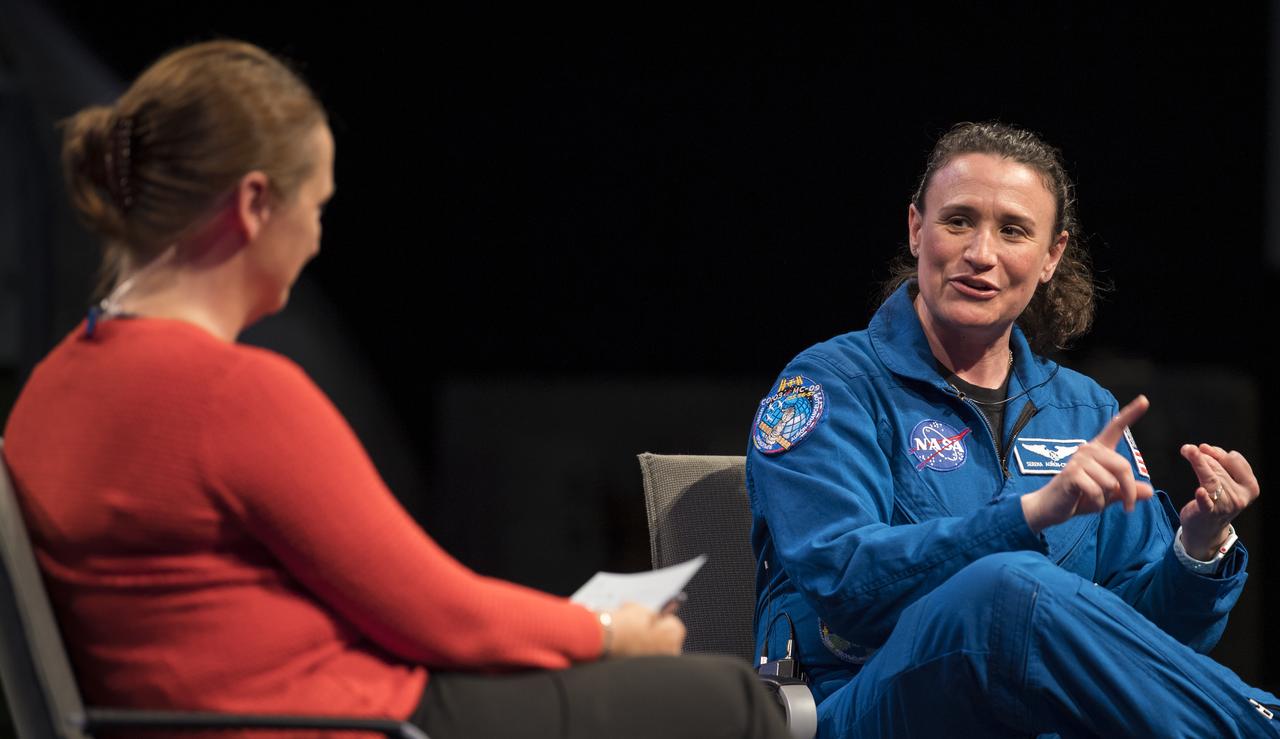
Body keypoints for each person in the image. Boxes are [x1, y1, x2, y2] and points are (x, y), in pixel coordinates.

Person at [1, 40, 786, 739]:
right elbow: (442, 615)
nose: (316, 235)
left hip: (241, 709)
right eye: (316, 205)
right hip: (339, 717)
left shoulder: (52, 386)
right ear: (252, 204)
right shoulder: (228, 394)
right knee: (729, 699)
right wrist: (612, 632)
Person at [746, 121, 1278, 737]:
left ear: (1051, 257)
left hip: (1034, 721)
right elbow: (846, 583)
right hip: (863, 705)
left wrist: (1199, 548)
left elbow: (1149, 652)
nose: (982, 253)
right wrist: (1025, 517)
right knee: (1003, 587)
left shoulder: (1083, 411)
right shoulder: (831, 384)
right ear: (917, 230)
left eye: (1014, 230)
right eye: (958, 221)